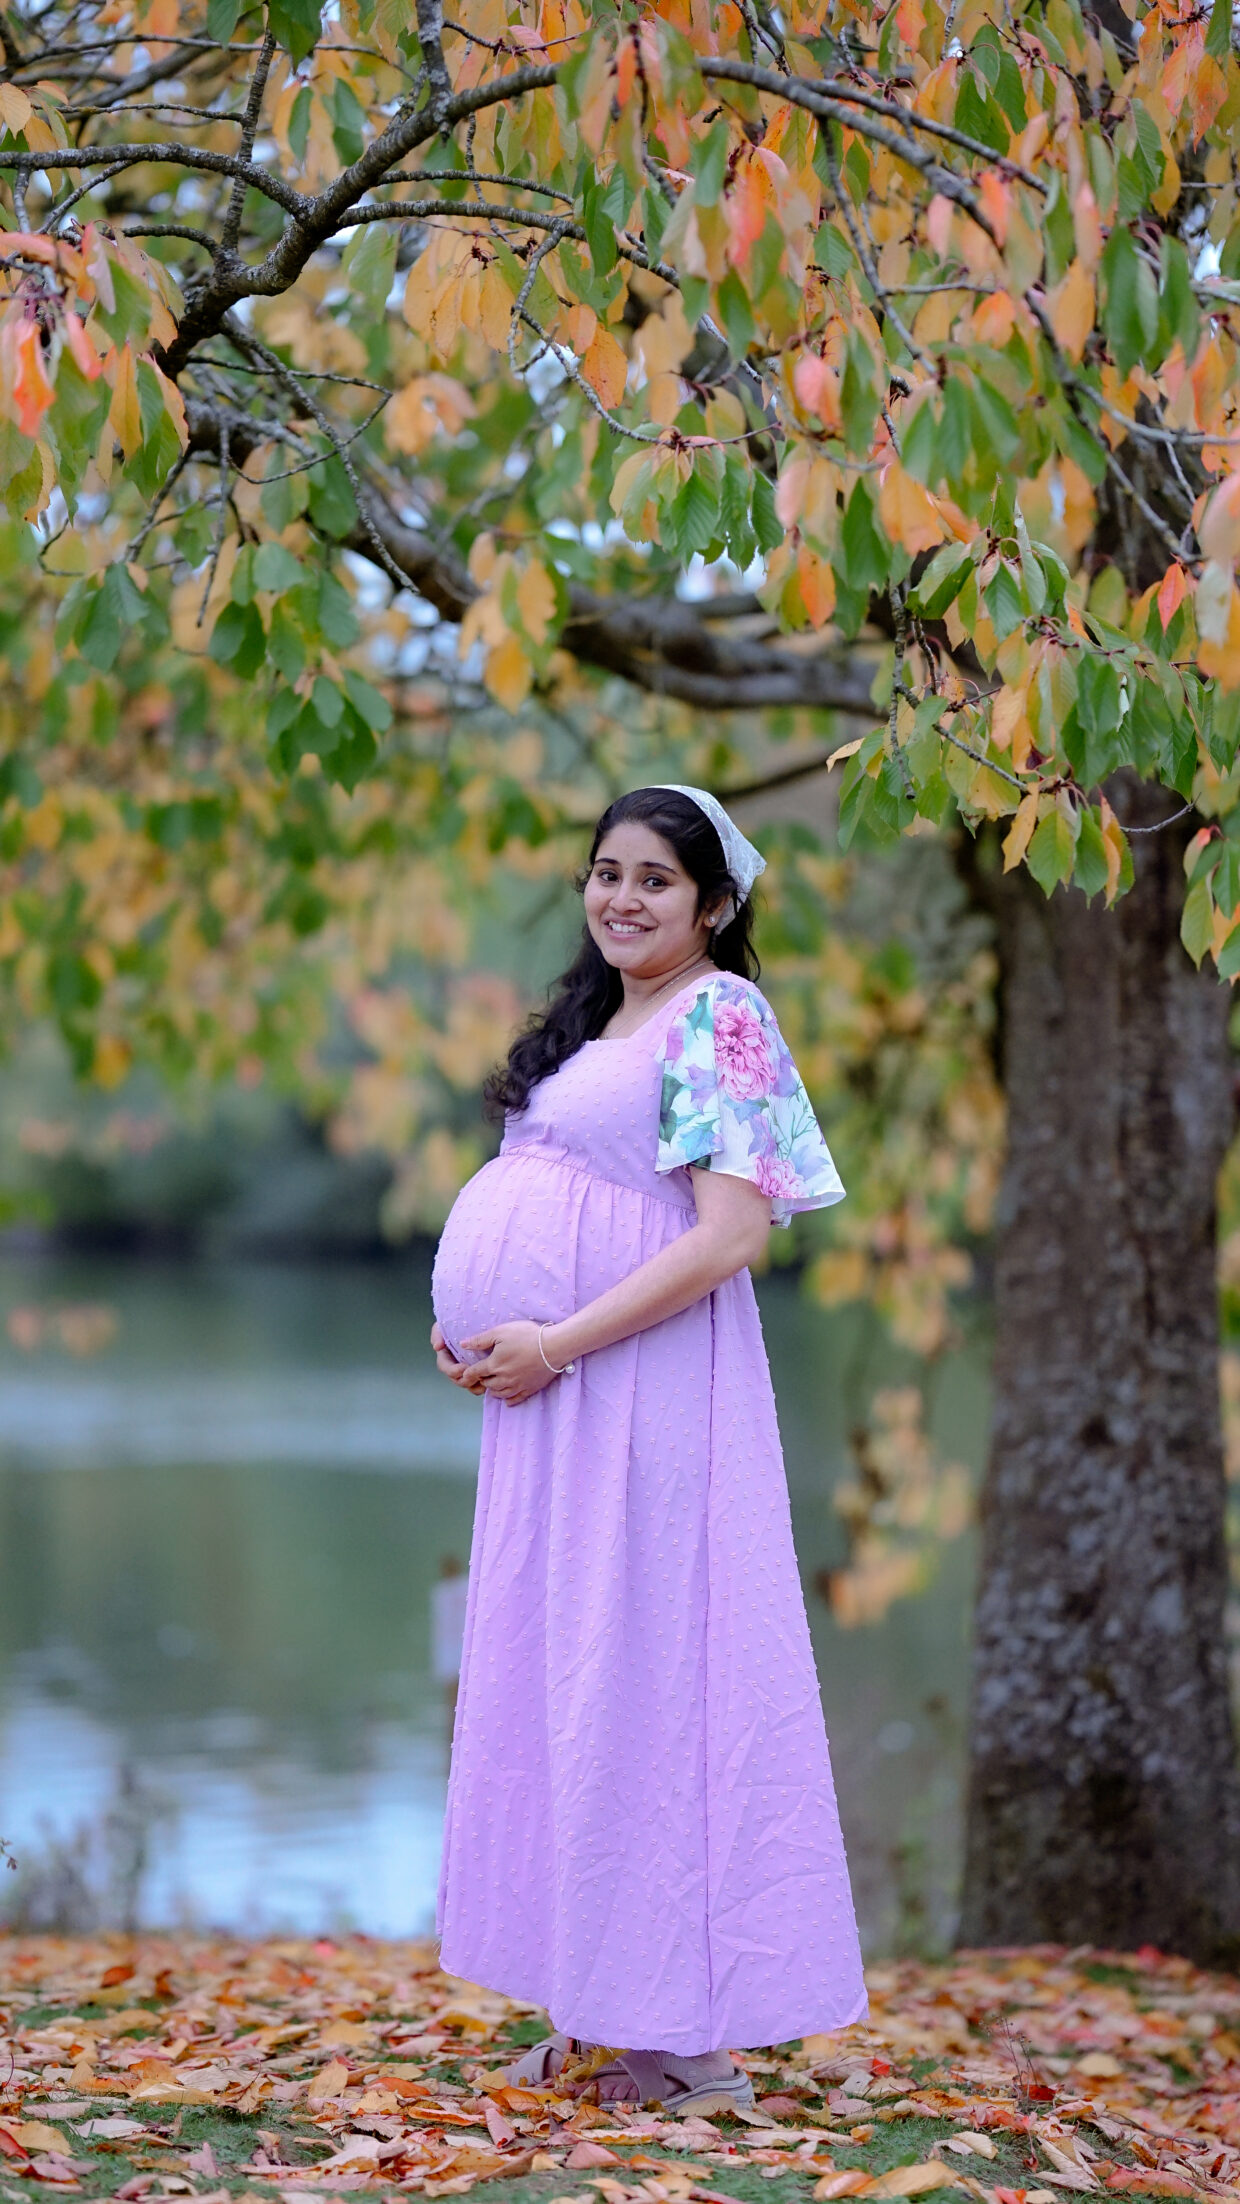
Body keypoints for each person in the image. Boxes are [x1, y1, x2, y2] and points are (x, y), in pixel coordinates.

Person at [428, 785, 865, 2113]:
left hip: (645, 1397)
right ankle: (597, 2003)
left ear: (714, 906)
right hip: (561, 1407)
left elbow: (732, 1234)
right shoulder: (597, 1021)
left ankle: (685, 2039)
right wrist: (485, 1331)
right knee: (567, 1679)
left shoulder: (719, 1015)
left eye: (655, 882)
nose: (621, 898)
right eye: (604, 873)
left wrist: (553, 1342)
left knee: (650, 1679)